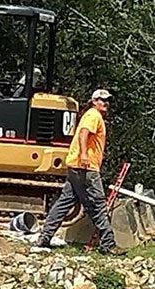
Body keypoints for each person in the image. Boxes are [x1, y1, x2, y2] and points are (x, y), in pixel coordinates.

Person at [35, 89, 121, 254]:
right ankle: (108, 243)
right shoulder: (93, 115)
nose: (106, 103)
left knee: (64, 202)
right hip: (85, 168)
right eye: (102, 100)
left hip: (76, 166)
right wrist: (83, 154)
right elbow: (83, 134)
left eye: (108, 100)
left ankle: (44, 237)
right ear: (94, 100)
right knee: (98, 204)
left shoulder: (91, 115)